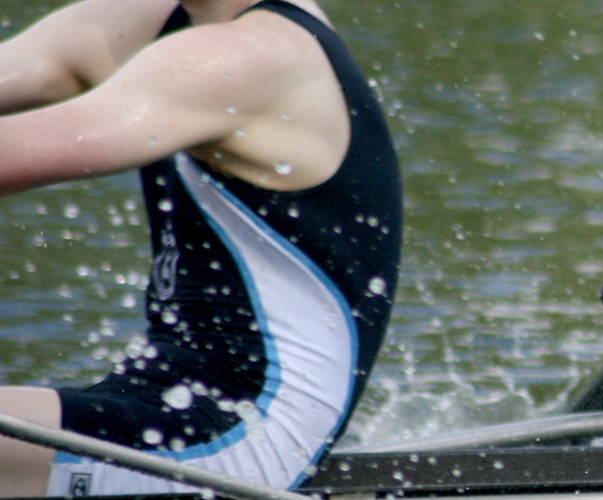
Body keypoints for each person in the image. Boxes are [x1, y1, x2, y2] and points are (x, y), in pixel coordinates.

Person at [0, 0, 400, 495]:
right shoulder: (154, 23)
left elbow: (14, 153)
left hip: (234, 439)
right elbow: (32, 64)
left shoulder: (247, 57)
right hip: (156, 397)